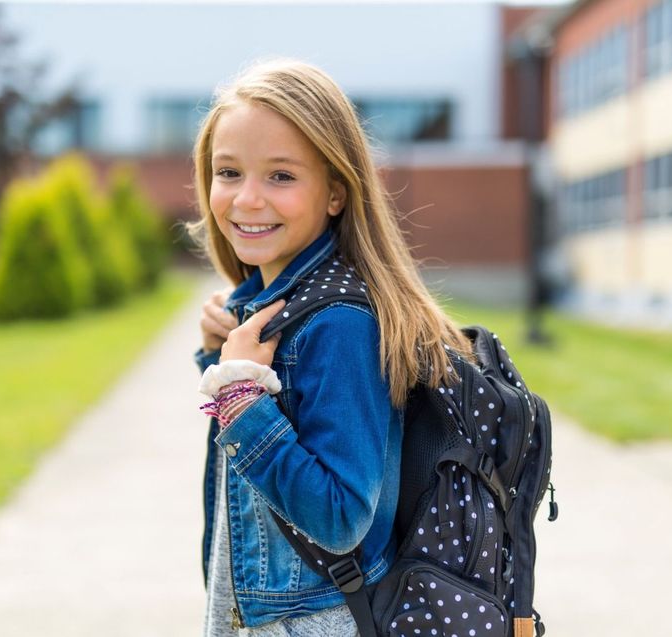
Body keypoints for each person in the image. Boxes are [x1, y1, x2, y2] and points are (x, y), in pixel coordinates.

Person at [189, 58, 475, 636]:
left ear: (337, 193)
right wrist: (216, 357)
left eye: (281, 176)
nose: (246, 199)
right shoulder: (274, 302)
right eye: (228, 172)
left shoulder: (339, 322)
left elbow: (341, 515)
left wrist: (239, 395)